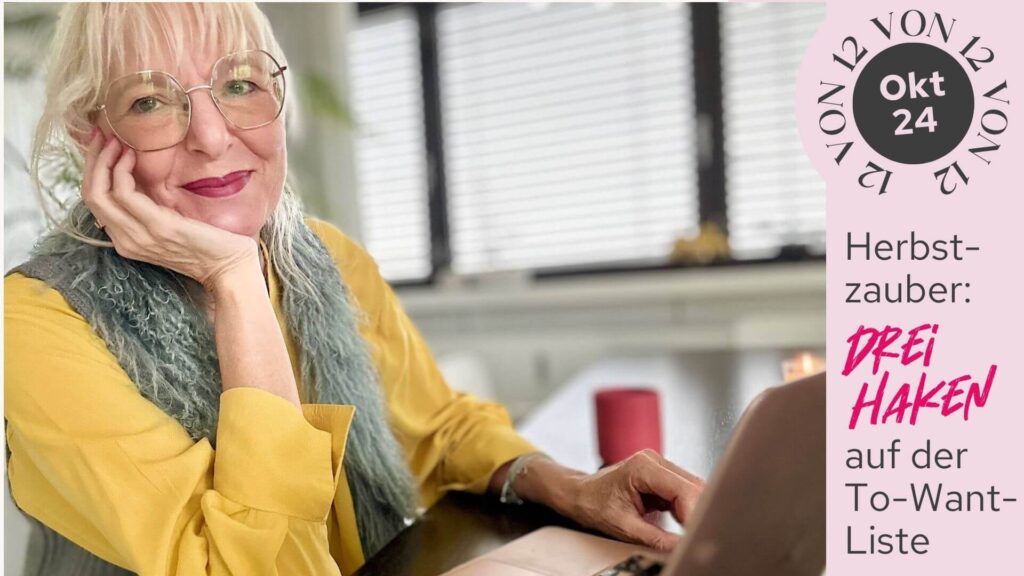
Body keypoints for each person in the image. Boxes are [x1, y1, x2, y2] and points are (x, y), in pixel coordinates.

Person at [3, 4, 705, 575]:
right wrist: (234, 281)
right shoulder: (36, 324)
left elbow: (438, 428)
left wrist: (574, 488)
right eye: (152, 100)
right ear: (89, 134)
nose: (214, 137)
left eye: (240, 84)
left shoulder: (326, 257)